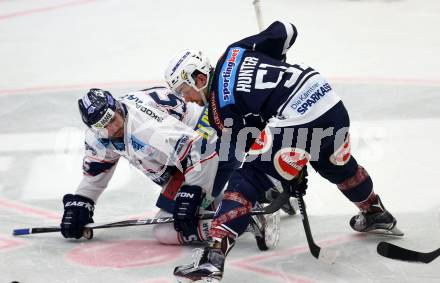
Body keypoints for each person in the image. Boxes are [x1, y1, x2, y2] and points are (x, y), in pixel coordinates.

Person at [164, 21, 399, 281]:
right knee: (336, 164)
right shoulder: (235, 51)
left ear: (199, 78)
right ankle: (375, 212)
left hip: (298, 118)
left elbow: (252, 150)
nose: (186, 99)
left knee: (247, 179)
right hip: (328, 100)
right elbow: (286, 30)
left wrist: (287, 173)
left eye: (184, 91)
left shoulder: (220, 110)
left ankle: (212, 258)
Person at [61, 86, 278, 247]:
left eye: (112, 118)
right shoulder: (99, 137)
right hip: (190, 154)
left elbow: (201, 150)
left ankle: (247, 216)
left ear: (117, 106)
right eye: (102, 125)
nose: (112, 127)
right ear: (93, 129)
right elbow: (96, 172)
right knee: (178, 214)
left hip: (213, 145)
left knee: (166, 229)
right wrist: (82, 203)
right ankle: (248, 199)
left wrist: (193, 191)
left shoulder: (147, 129)